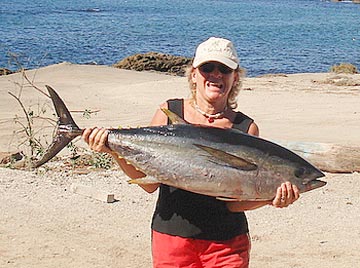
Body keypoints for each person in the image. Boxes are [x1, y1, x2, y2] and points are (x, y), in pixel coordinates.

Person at [82, 37, 300, 268]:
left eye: (224, 69)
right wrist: (112, 149)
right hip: (172, 238)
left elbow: (234, 204)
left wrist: (270, 199)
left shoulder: (245, 128)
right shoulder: (169, 112)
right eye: (207, 68)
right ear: (194, 74)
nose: (215, 75)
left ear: (235, 77)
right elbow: (149, 185)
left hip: (226, 243)